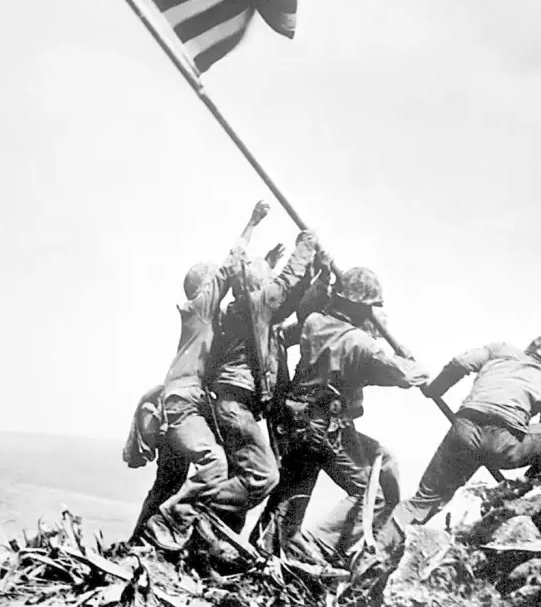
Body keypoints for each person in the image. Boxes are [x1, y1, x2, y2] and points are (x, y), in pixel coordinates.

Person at [252, 266, 429, 566]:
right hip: (323, 430)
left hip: (296, 421)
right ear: (360, 307)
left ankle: (266, 546)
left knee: (299, 487)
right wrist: (410, 362)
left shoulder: (314, 322)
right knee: (374, 493)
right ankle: (318, 547)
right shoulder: (360, 345)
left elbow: (293, 333)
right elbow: (403, 375)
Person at [140, 200, 270, 551]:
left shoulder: (207, 320)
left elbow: (238, 288)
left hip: (191, 402)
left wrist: (263, 268)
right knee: (215, 462)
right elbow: (228, 270)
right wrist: (251, 223)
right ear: (203, 287)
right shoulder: (199, 309)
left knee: (168, 479)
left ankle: (141, 542)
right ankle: (169, 525)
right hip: (185, 402)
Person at [377, 334, 541, 557]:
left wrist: (434, 390)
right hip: (504, 444)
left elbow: (460, 363)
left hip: (463, 431)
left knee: (423, 501)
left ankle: (375, 553)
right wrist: (530, 478)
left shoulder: (501, 350)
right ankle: (524, 486)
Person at [204, 229, 320, 533]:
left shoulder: (252, 318)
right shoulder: (254, 305)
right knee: (262, 476)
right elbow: (284, 286)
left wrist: (316, 277)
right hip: (235, 408)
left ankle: (215, 542)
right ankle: (193, 507)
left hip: (237, 408)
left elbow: (293, 304)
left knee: (241, 477)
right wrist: (305, 246)